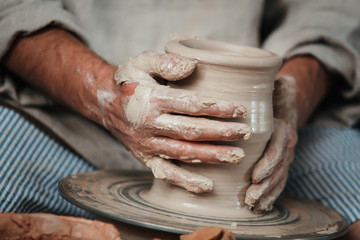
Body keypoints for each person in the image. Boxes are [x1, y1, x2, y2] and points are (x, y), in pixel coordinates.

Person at [0, 0, 359, 238]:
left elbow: (331, 10)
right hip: (65, 110)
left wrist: (295, 93)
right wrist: (103, 92)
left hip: (269, 138)